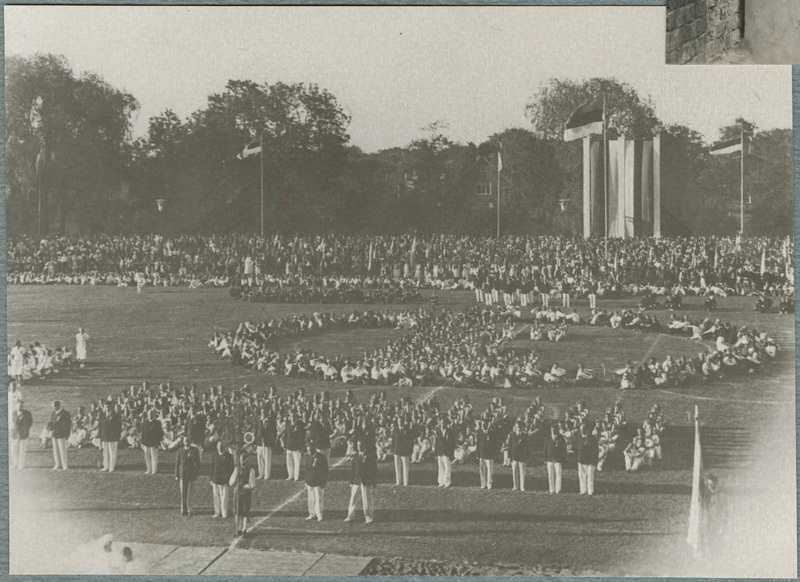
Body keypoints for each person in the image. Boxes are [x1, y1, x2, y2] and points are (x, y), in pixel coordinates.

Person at [345, 436, 377, 523]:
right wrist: (351, 481)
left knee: (367, 498)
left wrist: (374, 481)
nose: (360, 447)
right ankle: (350, 516)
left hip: (366, 480)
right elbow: (353, 469)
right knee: (353, 497)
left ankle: (369, 517)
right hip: (356, 480)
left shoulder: (370, 456)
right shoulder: (355, 455)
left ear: (365, 445)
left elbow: (374, 469)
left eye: (362, 445)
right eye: (358, 445)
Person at [175, 436, 200, 515]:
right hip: (182, 474)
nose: (187, 442)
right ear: (183, 442)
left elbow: (198, 462)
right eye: (185, 441)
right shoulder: (180, 451)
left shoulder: (194, 450)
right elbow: (177, 463)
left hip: (191, 474)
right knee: (183, 492)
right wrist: (176, 474)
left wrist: (196, 472)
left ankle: (189, 509)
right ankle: (183, 509)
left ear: (190, 441)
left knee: (190, 492)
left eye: (188, 441)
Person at [234, 450, 257, 536]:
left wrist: (244, 486)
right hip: (238, 493)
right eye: (241, 460)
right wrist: (234, 478)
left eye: (244, 460)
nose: (242, 462)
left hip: (246, 493)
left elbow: (252, 484)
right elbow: (231, 482)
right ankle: (238, 529)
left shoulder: (251, 470)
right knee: (237, 512)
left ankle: (244, 529)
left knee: (245, 512)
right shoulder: (237, 469)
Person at [209, 441, 234, 518]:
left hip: (225, 480)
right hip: (215, 479)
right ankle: (217, 512)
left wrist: (230, 480)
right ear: (217, 447)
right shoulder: (214, 455)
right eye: (219, 446)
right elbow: (212, 468)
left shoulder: (229, 456)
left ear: (224, 447)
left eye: (221, 446)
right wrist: (211, 479)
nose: (220, 447)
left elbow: (231, 469)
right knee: (216, 497)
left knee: (224, 497)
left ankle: (224, 513)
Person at [305, 442, 328, 521]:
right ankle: (311, 513)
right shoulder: (307, 456)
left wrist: (324, 482)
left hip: (318, 482)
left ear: (314, 449)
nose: (309, 451)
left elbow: (325, 471)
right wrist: (306, 481)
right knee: (310, 499)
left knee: (318, 499)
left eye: (310, 450)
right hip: (310, 481)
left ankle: (319, 514)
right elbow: (307, 470)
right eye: (308, 450)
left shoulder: (322, 457)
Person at [576, 421, 599, 496]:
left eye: (583, 429)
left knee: (590, 476)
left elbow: (596, 450)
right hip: (581, 460)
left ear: (586, 430)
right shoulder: (579, 437)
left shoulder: (592, 438)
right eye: (581, 429)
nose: (582, 430)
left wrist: (595, 462)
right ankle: (583, 490)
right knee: (581, 476)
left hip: (590, 461)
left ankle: (590, 491)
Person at [543, 423, 567, 494]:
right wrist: (545, 458)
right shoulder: (547, 438)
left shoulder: (561, 438)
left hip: (558, 459)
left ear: (557, 430)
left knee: (558, 474)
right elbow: (545, 449)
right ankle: (551, 489)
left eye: (554, 430)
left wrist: (563, 458)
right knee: (550, 474)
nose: (553, 431)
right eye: (552, 430)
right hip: (549, 459)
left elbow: (564, 449)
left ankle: (558, 489)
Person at [10, 399, 33, 469]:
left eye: (22, 406)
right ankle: (15, 463)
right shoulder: (14, 413)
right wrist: (11, 431)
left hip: (23, 434)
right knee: (14, 449)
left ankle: (21, 464)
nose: (21, 407)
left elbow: (30, 423)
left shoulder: (28, 413)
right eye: (19, 406)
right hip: (15, 434)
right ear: (16, 406)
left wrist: (26, 429)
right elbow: (12, 423)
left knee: (22, 450)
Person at [391, 416, 413, 486]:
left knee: (405, 467)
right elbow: (393, 440)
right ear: (397, 422)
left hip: (405, 451)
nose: (400, 422)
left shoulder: (408, 429)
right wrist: (392, 450)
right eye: (399, 421)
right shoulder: (395, 429)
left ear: (404, 421)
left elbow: (410, 441)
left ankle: (405, 482)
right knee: (397, 467)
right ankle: (398, 481)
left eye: (402, 421)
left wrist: (410, 451)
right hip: (396, 450)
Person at [99, 400, 121, 473]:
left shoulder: (116, 415)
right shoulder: (102, 415)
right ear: (104, 407)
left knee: (112, 453)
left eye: (108, 407)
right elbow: (100, 427)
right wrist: (100, 437)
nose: (107, 408)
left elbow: (119, 427)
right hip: (104, 437)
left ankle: (111, 467)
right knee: (105, 453)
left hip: (113, 437)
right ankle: (106, 467)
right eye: (106, 407)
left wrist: (118, 437)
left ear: (111, 407)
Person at [507, 421, 529, 492]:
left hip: (522, 457)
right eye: (517, 427)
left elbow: (528, 447)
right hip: (514, 456)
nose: (518, 428)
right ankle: (515, 486)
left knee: (522, 472)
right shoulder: (512, 435)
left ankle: (522, 487)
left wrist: (526, 457)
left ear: (522, 428)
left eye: (520, 427)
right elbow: (509, 446)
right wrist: (509, 457)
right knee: (514, 472)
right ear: (515, 427)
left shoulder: (525, 436)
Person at [255, 407, 276, 480]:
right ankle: (261, 474)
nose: (263, 414)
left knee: (267, 459)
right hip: (259, 443)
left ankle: (267, 475)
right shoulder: (258, 421)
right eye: (262, 412)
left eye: (264, 412)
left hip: (267, 443)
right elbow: (256, 432)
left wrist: (271, 442)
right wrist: (256, 442)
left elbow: (274, 432)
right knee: (259, 459)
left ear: (267, 413)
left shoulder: (271, 421)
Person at [141, 409, 163, 475]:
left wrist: (158, 443)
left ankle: (154, 470)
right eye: (149, 414)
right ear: (147, 415)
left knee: (154, 457)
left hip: (154, 443)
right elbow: (143, 433)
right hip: (146, 442)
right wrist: (142, 442)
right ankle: (148, 470)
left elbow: (160, 434)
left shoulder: (157, 423)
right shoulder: (145, 422)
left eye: (151, 414)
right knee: (147, 457)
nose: (150, 415)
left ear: (154, 415)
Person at [284, 412, 305, 481]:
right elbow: (286, 435)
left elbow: (302, 436)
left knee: (296, 463)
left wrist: (301, 446)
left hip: (296, 447)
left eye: (294, 417)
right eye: (291, 416)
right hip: (289, 446)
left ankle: (296, 477)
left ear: (296, 417)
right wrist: (285, 445)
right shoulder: (288, 424)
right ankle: (290, 475)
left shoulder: (300, 425)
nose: (292, 418)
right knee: (289, 462)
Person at [434, 417, 454, 488]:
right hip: (440, 452)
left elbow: (452, 443)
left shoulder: (450, 431)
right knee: (440, 467)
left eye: (444, 423)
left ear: (446, 424)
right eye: (441, 423)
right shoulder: (438, 431)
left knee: (447, 467)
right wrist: (436, 453)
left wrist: (451, 453)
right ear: (439, 423)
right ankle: (441, 482)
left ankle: (447, 482)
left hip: (447, 452)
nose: (442, 425)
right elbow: (436, 443)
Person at [475, 418, 495, 490]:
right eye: (482, 424)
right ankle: (483, 484)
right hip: (481, 454)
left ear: (487, 425)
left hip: (489, 454)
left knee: (489, 469)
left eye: (485, 424)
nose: (483, 426)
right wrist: (477, 454)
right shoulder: (479, 432)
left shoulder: (491, 432)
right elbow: (477, 444)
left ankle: (489, 484)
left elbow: (494, 444)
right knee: (482, 469)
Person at [51, 400, 71, 470]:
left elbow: (68, 425)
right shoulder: (53, 413)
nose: (53, 407)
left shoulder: (65, 413)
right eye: (52, 406)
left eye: (53, 406)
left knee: (62, 450)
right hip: (54, 434)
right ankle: (57, 464)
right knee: (55, 450)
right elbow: (52, 423)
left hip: (61, 434)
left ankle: (64, 465)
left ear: (58, 405)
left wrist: (67, 434)